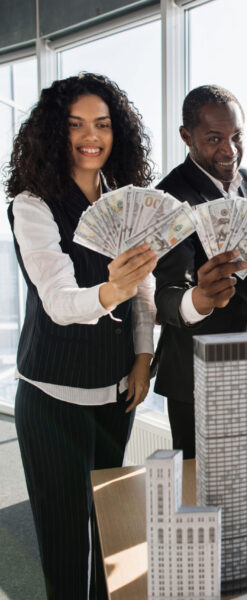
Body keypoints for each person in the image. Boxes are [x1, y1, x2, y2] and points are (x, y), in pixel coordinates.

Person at [6, 73, 157, 599]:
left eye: (103, 125)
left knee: (110, 535)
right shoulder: (32, 205)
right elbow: (59, 301)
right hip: (52, 399)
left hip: (116, 395)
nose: (91, 137)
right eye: (75, 126)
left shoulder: (125, 199)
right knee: (66, 542)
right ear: (54, 132)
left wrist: (143, 357)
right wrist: (111, 288)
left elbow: (144, 291)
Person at [153, 84, 247, 458]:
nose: (229, 150)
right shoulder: (168, 199)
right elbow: (165, 295)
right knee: (197, 498)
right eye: (215, 138)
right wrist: (197, 301)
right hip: (193, 376)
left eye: (236, 136)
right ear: (186, 136)